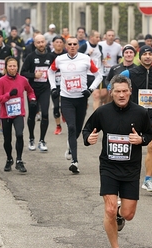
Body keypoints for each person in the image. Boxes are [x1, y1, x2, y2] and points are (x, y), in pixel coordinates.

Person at [82, 75, 152, 248]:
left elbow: (149, 133)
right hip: (109, 167)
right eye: (117, 91)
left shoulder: (140, 113)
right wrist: (88, 138)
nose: (121, 95)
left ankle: (120, 215)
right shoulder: (103, 112)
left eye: (125, 91)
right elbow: (87, 129)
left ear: (130, 91)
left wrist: (141, 140)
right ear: (111, 92)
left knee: (128, 214)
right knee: (109, 209)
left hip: (131, 169)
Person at [110, 45, 152, 193]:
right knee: (128, 146)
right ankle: (122, 177)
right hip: (133, 114)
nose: (147, 56)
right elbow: (113, 84)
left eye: (150, 54)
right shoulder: (130, 72)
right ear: (139, 57)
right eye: (145, 54)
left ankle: (148, 179)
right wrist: (121, 98)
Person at [48, 36, 103, 173]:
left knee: (78, 129)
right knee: (71, 127)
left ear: (78, 46)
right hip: (66, 99)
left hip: (81, 99)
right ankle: (75, 161)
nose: (72, 46)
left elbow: (99, 75)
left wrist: (90, 89)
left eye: (75, 44)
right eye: (70, 44)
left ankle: (69, 145)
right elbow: (50, 71)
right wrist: (54, 87)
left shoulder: (85, 59)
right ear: (66, 46)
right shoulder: (60, 59)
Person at [0, 57, 37, 173]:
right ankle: (9, 159)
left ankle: (19, 160)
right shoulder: (1, 81)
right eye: (10, 66)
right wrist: (8, 94)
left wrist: (32, 99)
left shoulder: (23, 80)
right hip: (5, 114)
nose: (12, 68)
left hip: (18, 113)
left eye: (14, 66)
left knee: (19, 134)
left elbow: (30, 91)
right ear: (6, 67)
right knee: (7, 139)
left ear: (17, 67)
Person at [21, 34, 55, 151]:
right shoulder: (30, 57)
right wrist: (33, 75)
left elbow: (55, 71)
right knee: (32, 113)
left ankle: (42, 140)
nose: (41, 44)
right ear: (35, 44)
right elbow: (23, 72)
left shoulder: (50, 57)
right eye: (38, 42)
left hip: (45, 88)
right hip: (33, 89)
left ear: (45, 42)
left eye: (42, 42)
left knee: (45, 114)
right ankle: (31, 138)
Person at [78, 30, 104, 110]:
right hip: (86, 75)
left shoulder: (99, 47)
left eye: (99, 37)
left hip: (96, 75)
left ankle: (95, 118)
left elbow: (100, 57)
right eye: (97, 37)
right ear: (91, 37)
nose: (99, 39)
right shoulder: (85, 46)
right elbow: (78, 58)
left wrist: (103, 61)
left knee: (96, 96)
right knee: (84, 98)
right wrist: (88, 54)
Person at [98, 29, 123, 108]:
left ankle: (107, 106)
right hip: (102, 71)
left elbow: (119, 58)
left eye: (112, 35)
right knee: (103, 93)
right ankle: (102, 103)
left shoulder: (118, 46)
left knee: (110, 92)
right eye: (109, 35)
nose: (111, 37)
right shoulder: (100, 44)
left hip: (113, 72)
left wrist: (119, 65)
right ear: (106, 36)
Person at [50, 36, 67, 135]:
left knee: (65, 104)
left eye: (61, 42)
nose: (59, 44)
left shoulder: (66, 55)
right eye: (57, 42)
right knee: (56, 106)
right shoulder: (50, 55)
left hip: (65, 84)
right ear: (53, 43)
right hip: (54, 84)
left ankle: (64, 113)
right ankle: (58, 126)